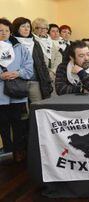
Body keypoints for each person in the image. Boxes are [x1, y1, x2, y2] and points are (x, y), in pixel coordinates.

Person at [0, 18, 33, 162]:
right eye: (0, 30)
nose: (4, 33)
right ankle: (7, 150)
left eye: (6, 30)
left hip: (17, 92)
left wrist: (18, 73)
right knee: (3, 124)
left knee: (18, 123)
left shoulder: (19, 47)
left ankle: (18, 151)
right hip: (1, 94)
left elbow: (29, 68)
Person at [12, 17, 53, 101]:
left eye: (28, 26)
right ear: (16, 28)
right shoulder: (11, 42)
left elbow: (42, 63)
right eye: (23, 26)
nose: (26, 29)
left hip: (35, 79)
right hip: (18, 80)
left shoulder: (35, 42)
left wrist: (47, 80)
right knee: (21, 109)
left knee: (38, 106)